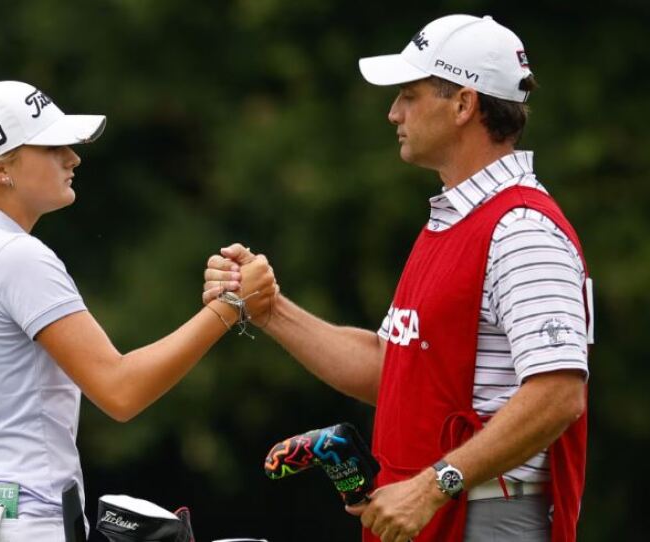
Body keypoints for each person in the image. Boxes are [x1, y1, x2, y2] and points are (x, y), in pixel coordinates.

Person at [204, 14, 592, 542]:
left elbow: (558, 393)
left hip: (483, 519)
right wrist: (269, 309)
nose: (393, 113)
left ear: (463, 104)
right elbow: (390, 370)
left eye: (409, 95)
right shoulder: (455, 221)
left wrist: (434, 485)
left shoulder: (522, 229)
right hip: (435, 511)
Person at [0, 81, 276, 542]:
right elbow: (120, 390)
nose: (72, 157)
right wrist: (230, 307)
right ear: (1, 169)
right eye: (51, 146)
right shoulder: (17, 257)